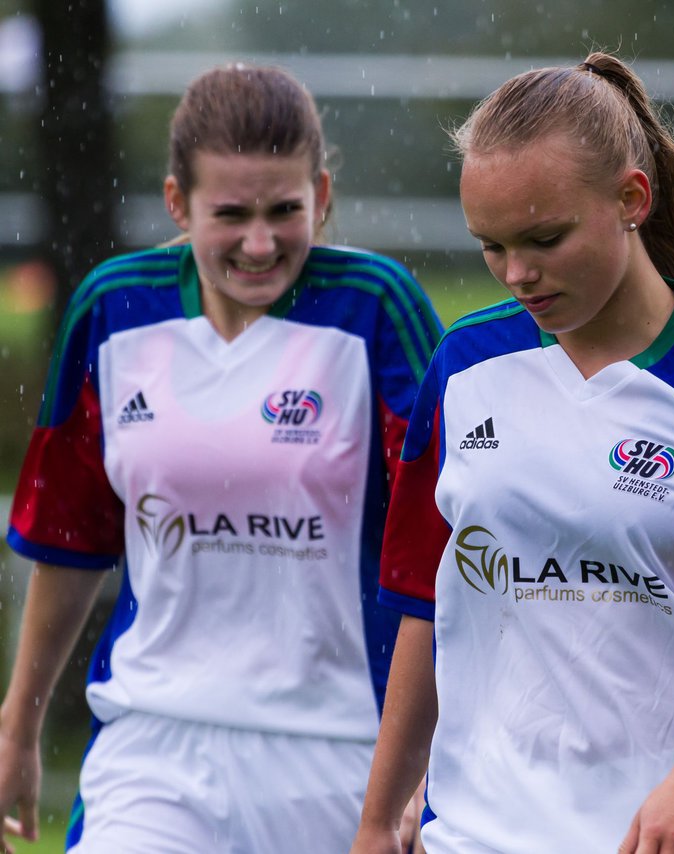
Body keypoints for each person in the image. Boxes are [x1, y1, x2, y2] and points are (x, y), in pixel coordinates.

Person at [352, 51, 674, 853]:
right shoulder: (461, 369)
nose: (517, 273)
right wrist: (379, 821)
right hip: (477, 833)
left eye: (544, 238)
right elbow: (423, 603)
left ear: (631, 198)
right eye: (492, 245)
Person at [0, 64, 443, 853]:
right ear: (178, 203)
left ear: (324, 194)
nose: (260, 242)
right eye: (230, 214)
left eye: (285, 210)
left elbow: (449, 548)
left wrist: (430, 755)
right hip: (153, 744)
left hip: (344, 752)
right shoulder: (113, 310)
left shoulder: (378, 307)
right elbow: (69, 541)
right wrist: (18, 727)